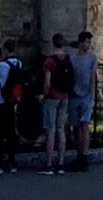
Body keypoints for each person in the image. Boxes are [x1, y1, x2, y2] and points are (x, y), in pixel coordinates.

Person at [36, 33, 73, 175]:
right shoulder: (68, 59)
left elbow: (47, 83)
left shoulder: (50, 61)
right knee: (61, 129)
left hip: (52, 96)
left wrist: (43, 97)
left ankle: (50, 164)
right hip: (65, 96)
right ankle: (61, 163)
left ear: (52, 43)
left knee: (50, 130)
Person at [0, 38, 22, 174]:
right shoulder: (18, 63)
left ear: (5, 50)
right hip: (11, 101)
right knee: (11, 131)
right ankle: (12, 162)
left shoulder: (2, 65)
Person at [64, 31, 98, 172]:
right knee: (76, 126)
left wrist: (92, 96)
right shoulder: (72, 59)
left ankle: (84, 155)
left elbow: (93, 78)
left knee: (85, 126)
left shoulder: (92, 58)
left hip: (85, 96)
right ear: (80, 43)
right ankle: (78, 154)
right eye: (86, 42)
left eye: (89, 42)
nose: (88, 45)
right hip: (74, 95)